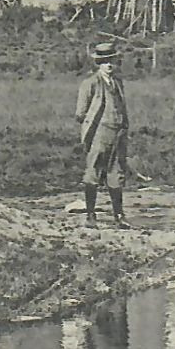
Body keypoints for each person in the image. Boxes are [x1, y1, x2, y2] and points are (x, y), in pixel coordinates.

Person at [75, 41, 131, 226]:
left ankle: (119, 217)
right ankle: (91, 216)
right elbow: (80, 113)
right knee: (93, 172)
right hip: (98, 134)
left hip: (117, 134)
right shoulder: (90, 83)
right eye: (104, 62)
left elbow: (122, 107)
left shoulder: (118, 82)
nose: (108, 65)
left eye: (111, 61)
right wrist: (92, 128)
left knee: (116, 174)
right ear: (98, 64)